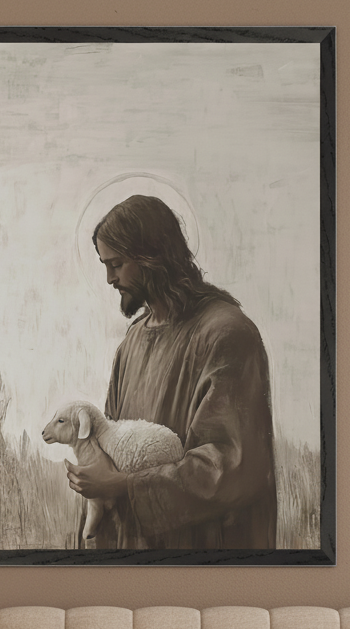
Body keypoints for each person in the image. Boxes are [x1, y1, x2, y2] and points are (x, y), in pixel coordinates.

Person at [65, 194, 277, 549]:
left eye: (116, 264)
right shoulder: (133, 340)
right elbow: (111, 438)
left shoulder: (226, 333)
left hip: (206, 554)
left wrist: (120, 486)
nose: (109, 278)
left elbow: (231, 467)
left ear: (152, 258)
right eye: (105, 265)